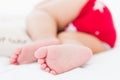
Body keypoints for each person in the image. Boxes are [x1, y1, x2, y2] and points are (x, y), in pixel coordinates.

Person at [10, 0, 116, 75]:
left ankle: (44, 38)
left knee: (40, 13)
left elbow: (43, 11)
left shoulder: (48, 5)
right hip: (104, 41)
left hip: (89, 8)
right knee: (67, 39)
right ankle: (75, 48)